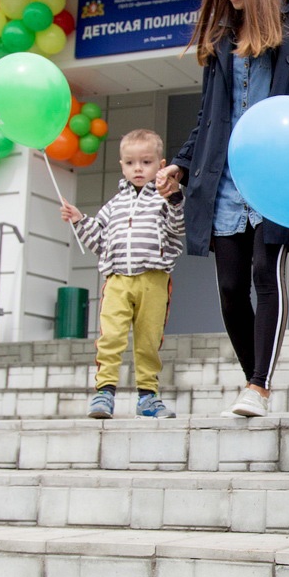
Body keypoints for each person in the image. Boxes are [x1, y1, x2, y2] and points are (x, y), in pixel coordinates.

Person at [156, 0, 289, 418]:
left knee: (264, 272)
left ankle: (258, 385)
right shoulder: (219, 38)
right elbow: (209, 116)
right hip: (226, 180)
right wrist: (181, 164)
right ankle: (253, 379)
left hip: (278, 175)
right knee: (230, 287)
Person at [60, 128, 185, 419]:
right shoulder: (113, 206)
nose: (138, 168)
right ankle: (104, 392)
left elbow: (178, 228)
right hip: (116, 279)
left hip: (154, 278)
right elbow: (99, 244)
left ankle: (148, 396)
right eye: (130, 163)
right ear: (122, 166)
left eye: (146, 162)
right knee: (111, 336)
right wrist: (80, 221)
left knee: (148, 339)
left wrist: (175, 199)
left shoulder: (165, 200)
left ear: (160, 164)